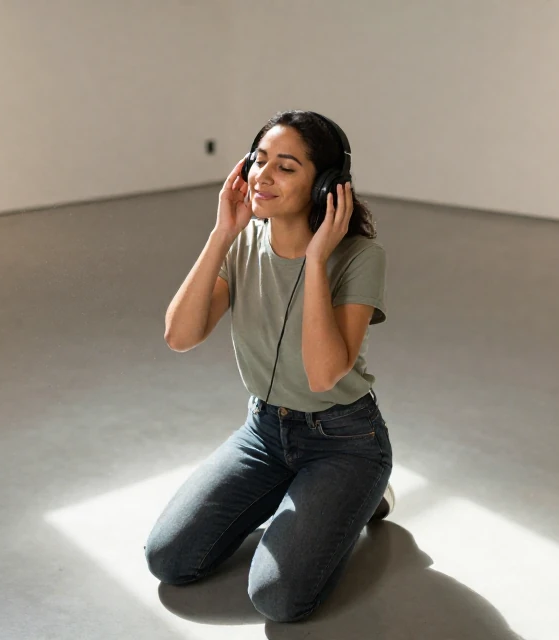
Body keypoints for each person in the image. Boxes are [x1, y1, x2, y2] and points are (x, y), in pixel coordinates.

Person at [145, 110, 394, 623]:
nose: (262, 176)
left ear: (325, 185)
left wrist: (316, 260)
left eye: (285, 166)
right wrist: (221, 234)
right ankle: (313, 494)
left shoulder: (360, 257)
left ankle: (361, 493)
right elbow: (180, 336)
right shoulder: (243, 243)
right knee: (168, 559)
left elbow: (323, 374)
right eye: (258, 161)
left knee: (277, 599)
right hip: (263, 432)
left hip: (343, 441)